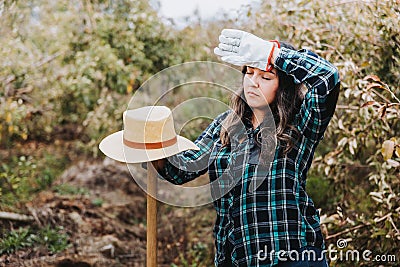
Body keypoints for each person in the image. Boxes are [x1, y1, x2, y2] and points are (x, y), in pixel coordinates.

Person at [152, 29, 340, 267]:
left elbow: (327, 78)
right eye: (249, 72)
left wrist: (272, 54)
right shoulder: (226, 124)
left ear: (284, 86)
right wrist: (151, 144)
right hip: (236, 258)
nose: (252, 82)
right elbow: (181, 169)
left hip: (291, 257)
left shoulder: (301, 123)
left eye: (266, 77)